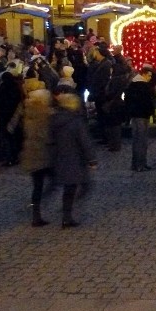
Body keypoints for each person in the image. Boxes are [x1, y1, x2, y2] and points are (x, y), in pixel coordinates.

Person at [49, 92, 97, 228]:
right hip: (75, 159)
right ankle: (67, 216)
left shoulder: (54, 119)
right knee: (77, 187)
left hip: (60, 158)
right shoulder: (76, 121)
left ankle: (66, 215)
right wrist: (92, 159)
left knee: (68, 188)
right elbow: (84, 142)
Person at [22, 85, 55, 227]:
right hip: (42, 154)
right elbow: (45, 135)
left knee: (38, 185)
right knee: (51, 182)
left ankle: (36, 210)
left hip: (31, 154)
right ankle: (36, 210)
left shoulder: (28, 112)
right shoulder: (44, 114)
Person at [124, 64, 156, 172]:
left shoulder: (133, 85)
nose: (150, 78)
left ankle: (137, 163)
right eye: (149, 75)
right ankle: (140, 164)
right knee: (141, 140)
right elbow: (149, 100)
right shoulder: (143, 86)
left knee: (138, 140)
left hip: (136, 115)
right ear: (144, 74)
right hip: (142, 115)